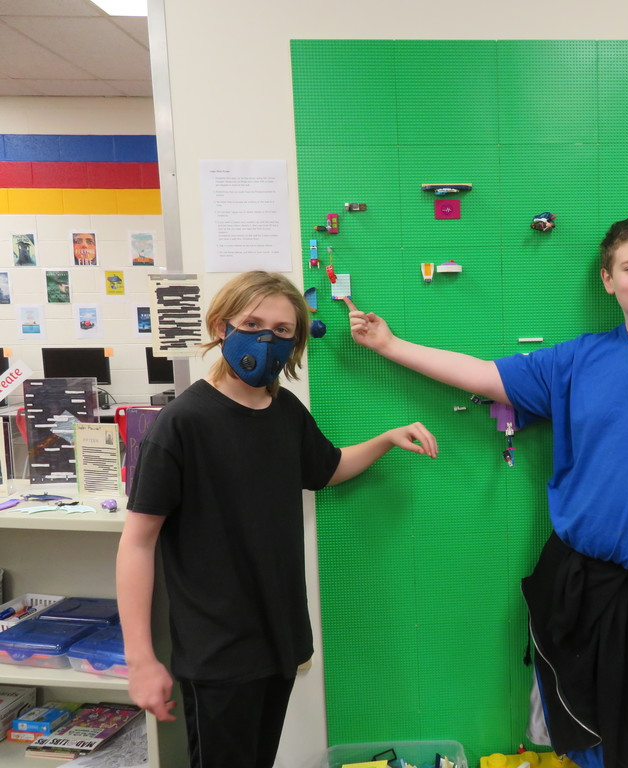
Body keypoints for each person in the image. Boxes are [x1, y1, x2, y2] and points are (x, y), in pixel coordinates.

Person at [345, 217, 628, 768]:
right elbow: (483, 375)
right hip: (590, 596)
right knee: (595, 748)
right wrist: (390, 346)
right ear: (609, 280)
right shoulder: (578, 361)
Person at [116, 270, 438, 768]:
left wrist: (384, 439)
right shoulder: (182, 424)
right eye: (253, 323)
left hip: (279, 641)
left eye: (284, 331)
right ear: (222, 326)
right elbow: (137, 542)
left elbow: (325, 469)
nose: (268, 339)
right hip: (219, 653)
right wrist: (140, 660)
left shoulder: (285, 409)